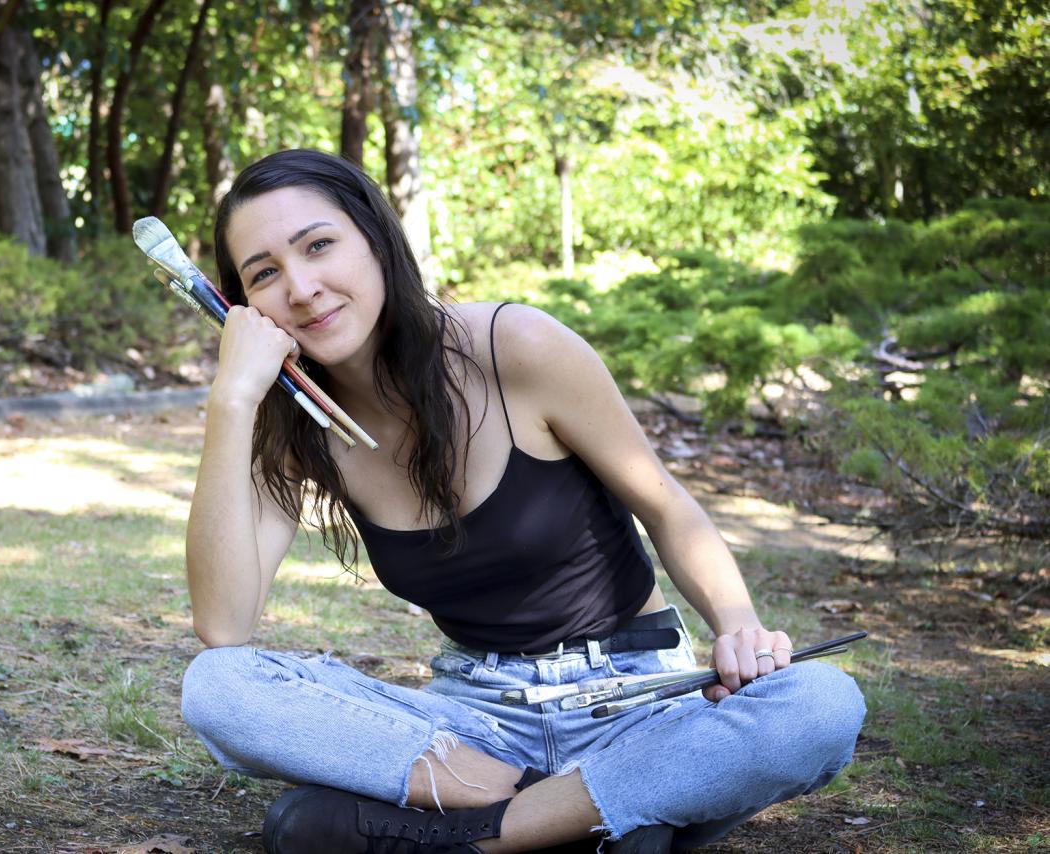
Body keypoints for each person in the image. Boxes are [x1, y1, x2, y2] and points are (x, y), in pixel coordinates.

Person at [179, 148, 865, 854]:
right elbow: (223, 627)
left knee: (820, 707)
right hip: (476, 723)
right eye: (264, 273)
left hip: (634, 699)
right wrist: (233, 400)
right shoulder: (294, 425)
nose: (301, 287)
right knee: (217, 688)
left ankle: (482, 837)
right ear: (241, 308)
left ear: (376, 240)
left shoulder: (515, 347)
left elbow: (667, 507)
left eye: (318, 245)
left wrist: (738, 625)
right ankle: (608, 814)